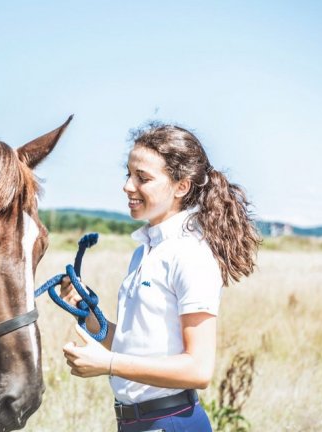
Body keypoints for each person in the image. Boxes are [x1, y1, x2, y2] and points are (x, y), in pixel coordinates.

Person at [61, 122, 260, 432]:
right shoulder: (146, 251)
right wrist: (87, 313)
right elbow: (136, 348)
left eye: (143, 178)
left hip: (169, 423)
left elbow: (198, 369)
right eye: (128, 174)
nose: (128, 186)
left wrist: (107, 364)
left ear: (181, 186)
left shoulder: (190, 254)